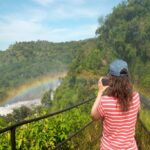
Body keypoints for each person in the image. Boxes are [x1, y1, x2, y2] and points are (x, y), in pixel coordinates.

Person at [91, 59, 140, 150]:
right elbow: (137, 111)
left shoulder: (105, 102)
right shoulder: (136, 97)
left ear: (110, 79)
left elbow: (93, 116)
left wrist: (100, 92)